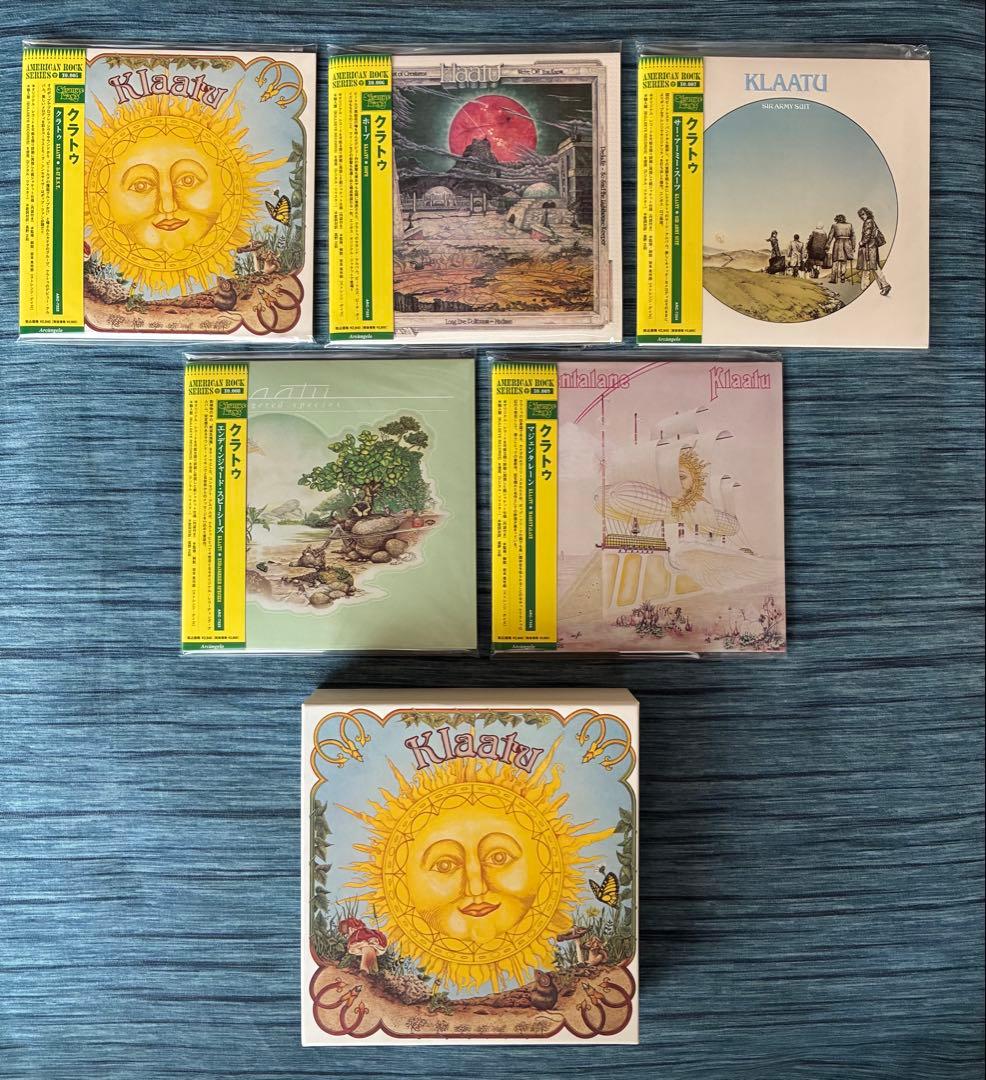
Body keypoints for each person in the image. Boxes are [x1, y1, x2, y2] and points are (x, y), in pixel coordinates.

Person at [857, 206, 891, 296]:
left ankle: (884, 285)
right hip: (871, 246)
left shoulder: (868, 222)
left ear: (867, 213)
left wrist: (862, 242)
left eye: (863, 214)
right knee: (870, 267)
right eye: (861, 215)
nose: (862, 216)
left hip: (869, 247)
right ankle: (870, 287)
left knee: (873, 267)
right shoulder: (871, 221)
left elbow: (867, 234)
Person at [826, 214, 855, 284]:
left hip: (838, 244)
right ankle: (842, 276)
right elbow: (853, 236)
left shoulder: (834, 226)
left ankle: (833, 278)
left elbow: (830, 236)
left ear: (837, 219)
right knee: (844, 261)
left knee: (835, 261)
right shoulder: (850, 225)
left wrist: (827, 245)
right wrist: (853, 246)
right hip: (847, 244)